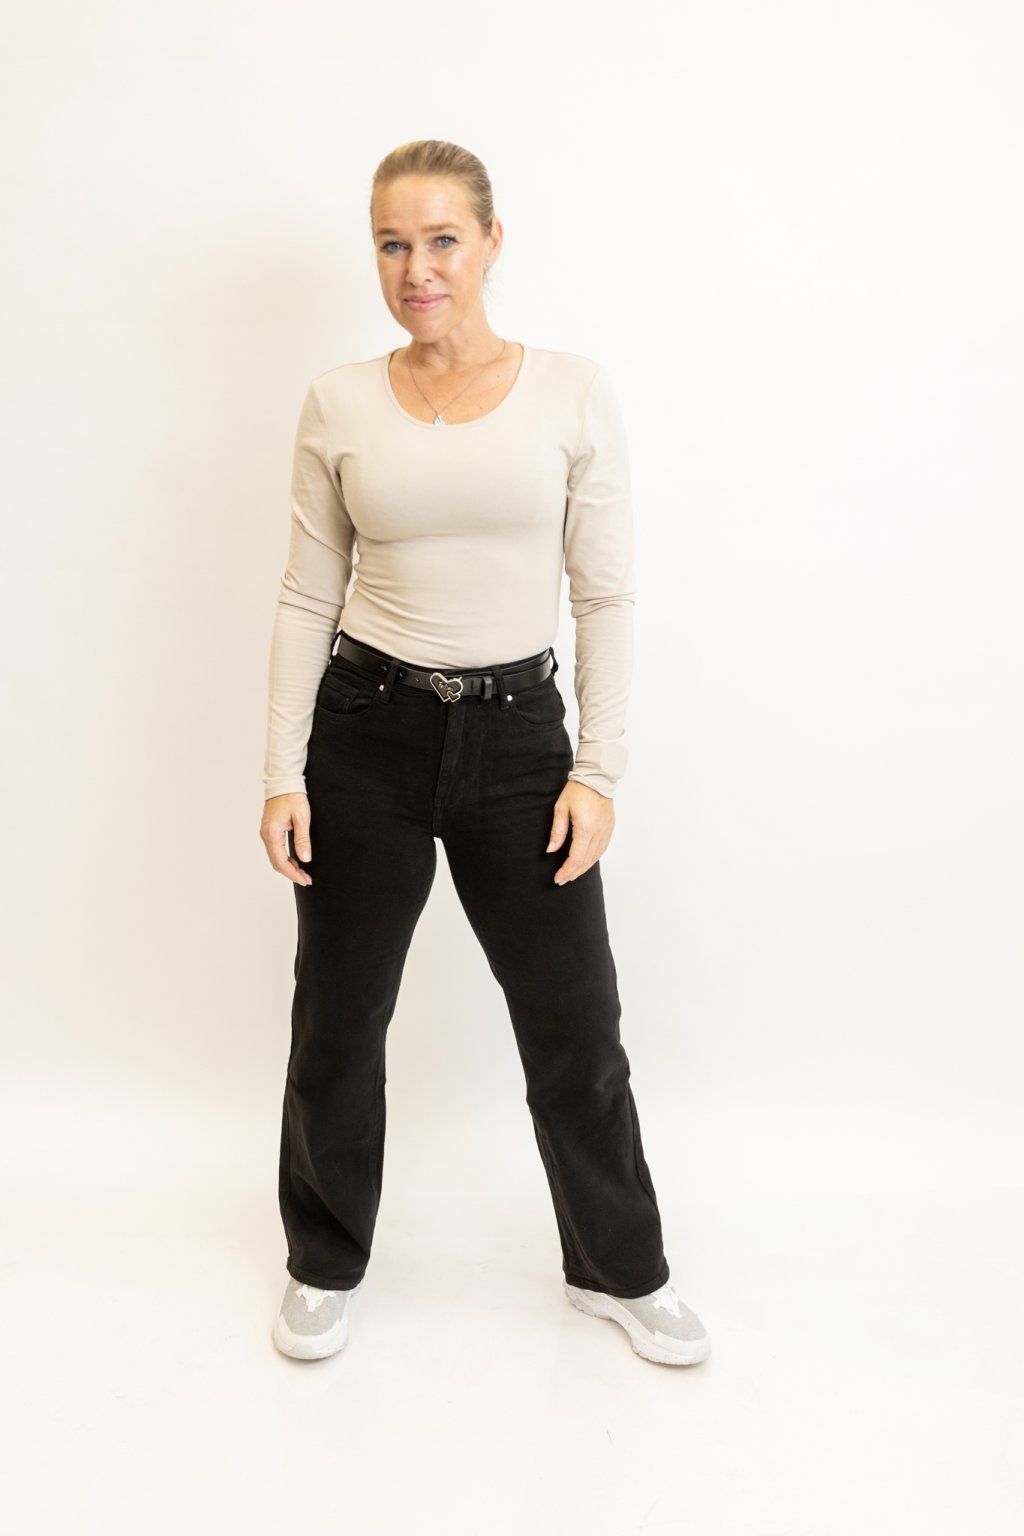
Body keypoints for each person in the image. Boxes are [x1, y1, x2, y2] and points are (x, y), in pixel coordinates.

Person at [259, 139, 710, 1368]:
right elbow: (306, 593)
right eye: (393, 244)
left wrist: (597, 771)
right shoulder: (338, 403)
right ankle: (323, 1262)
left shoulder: (571, 391)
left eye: (442, 240)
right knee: (338, 1019)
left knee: (575, 1024)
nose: (418, 269)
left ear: (491, 242)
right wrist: (283, 772)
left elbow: (604, 594)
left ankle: (619, 1271)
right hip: (366, 733)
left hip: (518, 745)